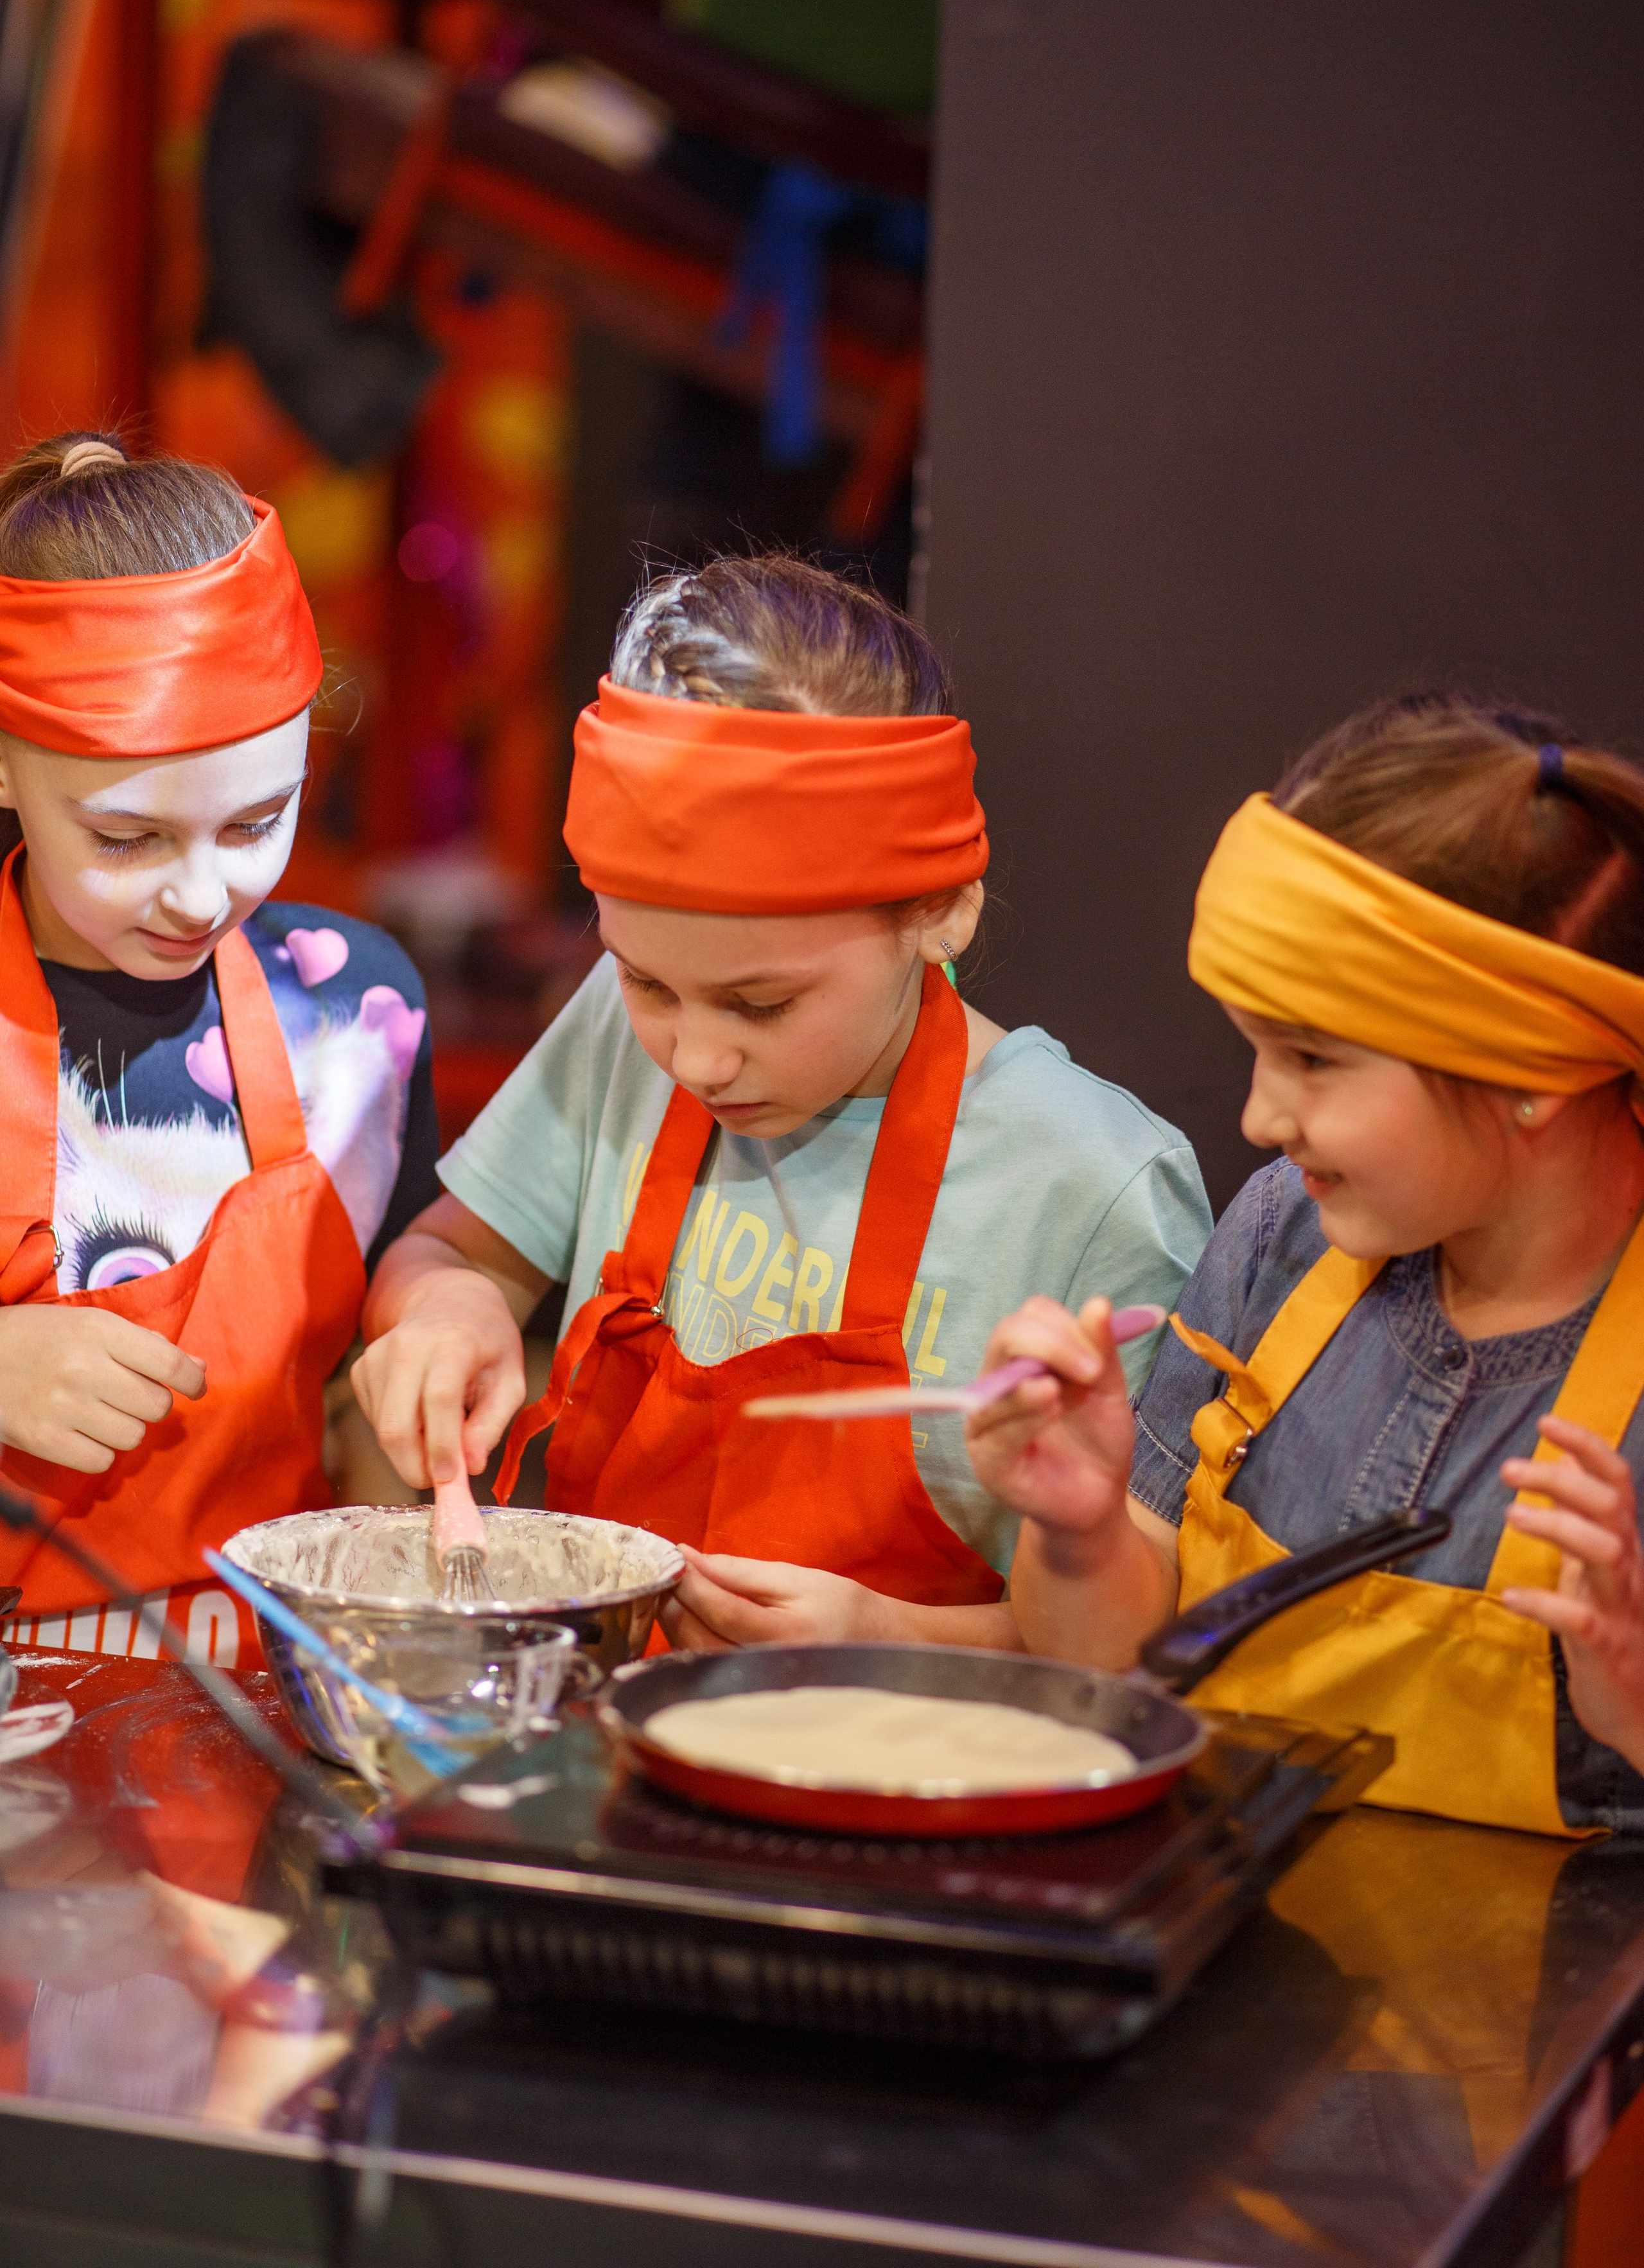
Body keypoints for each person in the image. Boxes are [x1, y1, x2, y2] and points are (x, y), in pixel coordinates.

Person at [354, 556, 1209, 1645]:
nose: (698, 1059)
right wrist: (447, 1309)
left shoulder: (1093, 1186)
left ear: (940, 911)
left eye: (760, 1006)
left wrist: (885, 1643)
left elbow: (1123, 1647)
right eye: (648, 980)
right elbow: (453, 1253)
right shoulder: (618, 1042)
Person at [967, 692, 1644, 1834]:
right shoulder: (1283, 1231)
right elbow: (1122, 1674)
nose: (1257, 1117)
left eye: (1313, 1059)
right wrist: (1080, 1535)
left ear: (1535, 1067)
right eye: (1256, 1050)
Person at [0, 432, 438, 1670]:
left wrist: (442, 1322)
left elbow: (379, 1341)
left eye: (256, 821)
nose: (202, 894)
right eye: (127, 839)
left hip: (269, 1700)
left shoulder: (356, 1014)